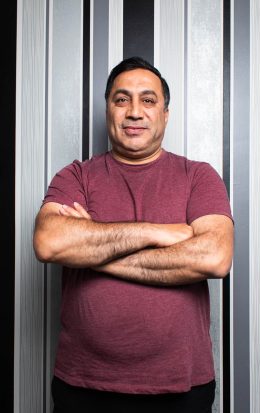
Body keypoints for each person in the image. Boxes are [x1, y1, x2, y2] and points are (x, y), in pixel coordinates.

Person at [33, 56, 233, 413]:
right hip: (83, 384)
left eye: (148, 100)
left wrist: (93, 250)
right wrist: (161, 232)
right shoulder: (75, 176)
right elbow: (49, 242)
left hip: (181, 388)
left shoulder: (198, 176)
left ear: (165, 114)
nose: (134, 112)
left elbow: (214, 258)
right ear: (108, 109)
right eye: (121, 99)